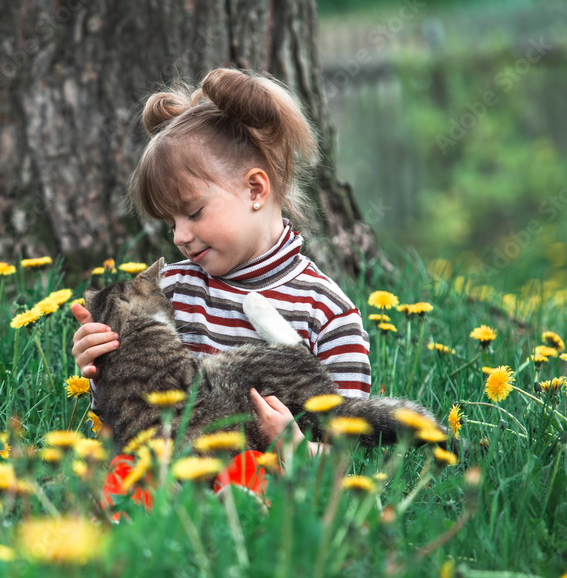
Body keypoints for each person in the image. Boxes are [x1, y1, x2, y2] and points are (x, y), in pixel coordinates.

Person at [71, 67, 371, 508]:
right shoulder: (171, 289)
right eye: (170, 222)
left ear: (255, 189)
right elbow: (133, 414)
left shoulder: (324, 309)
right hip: (173, 467)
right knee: (113, 480)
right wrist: (101, 366)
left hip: (270, 478)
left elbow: (353, 440)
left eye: (192, 213)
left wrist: (296, 446)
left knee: (253, 485)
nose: (179, 236)